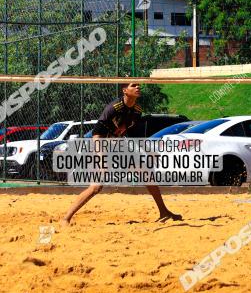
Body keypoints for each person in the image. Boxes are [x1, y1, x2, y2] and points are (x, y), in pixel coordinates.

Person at [62, 82, 182, 225]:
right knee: (96, 186)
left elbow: (129, 133)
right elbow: (97, 135)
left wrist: (147, 151)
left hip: (118, 145)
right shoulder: (113, 108)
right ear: (125, 90)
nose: (138, 87)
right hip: (100, 145)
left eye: (138, 85)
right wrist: (102, 160)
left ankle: (163, 211)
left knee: (146, 174)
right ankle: (66, 218)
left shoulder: (137, 110)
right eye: (133, 85)